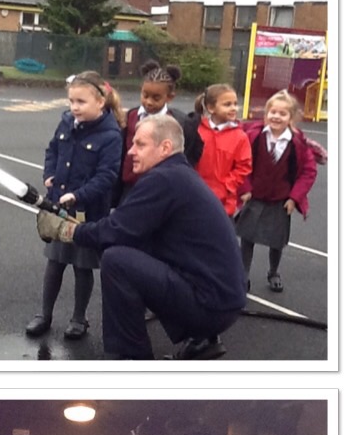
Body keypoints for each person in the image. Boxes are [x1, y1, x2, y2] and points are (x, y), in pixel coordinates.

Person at [65, 114, 248, 360]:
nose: (130, 151)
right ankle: (201, 341)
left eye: (140, 144)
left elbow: (116, 230)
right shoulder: (179, 174)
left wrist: (69, 231)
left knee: (116, 260)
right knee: (130, 251)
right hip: (222, 300)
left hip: (210, 305)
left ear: (165, 148)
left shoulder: (164, 179)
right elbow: (129, 228)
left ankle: (130, 359)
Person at [25, 71, 124, 341]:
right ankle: (44, 314)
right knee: (55, 263)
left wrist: (78, 195)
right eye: (71, 101)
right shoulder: (67, 122)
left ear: (100, 103)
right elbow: (53, 150)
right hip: (60, 206)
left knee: (82, 266)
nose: (74, 107)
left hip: (88, 213)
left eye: (81, 102)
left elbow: (107, 177)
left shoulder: (111, 134)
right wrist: (49, 173)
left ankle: (79, 318)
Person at [236, 90, 318, 294]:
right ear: (266, 114)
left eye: (282, 113)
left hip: (281, 200)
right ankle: (242, 275)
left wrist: (294, 197)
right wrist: (245, 188)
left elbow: (308, 171)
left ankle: (273, 272)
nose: (276, 116)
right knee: (247, 238)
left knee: (277, 241)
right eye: (272, 112)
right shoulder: (253, 136)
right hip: (254, 197)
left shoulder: (297, 143)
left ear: (291, 118)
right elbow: (240, 162)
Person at [116, 60, 193, 202]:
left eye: (156, 98)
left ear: (169, 97)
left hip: (161, 187)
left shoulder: (178, 122)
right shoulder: (131, 116)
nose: (149, 102)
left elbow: (192, 152)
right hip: (130, 185)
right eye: (145, 95)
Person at [187, 83, 252, 217]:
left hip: (223, 204)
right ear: (211, 108)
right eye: (227, 104)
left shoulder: (240, 137)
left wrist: (226, 186)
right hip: (193, 196)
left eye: (235, 104)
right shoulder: (196, 130)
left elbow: (244, 166)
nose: (233, 108)